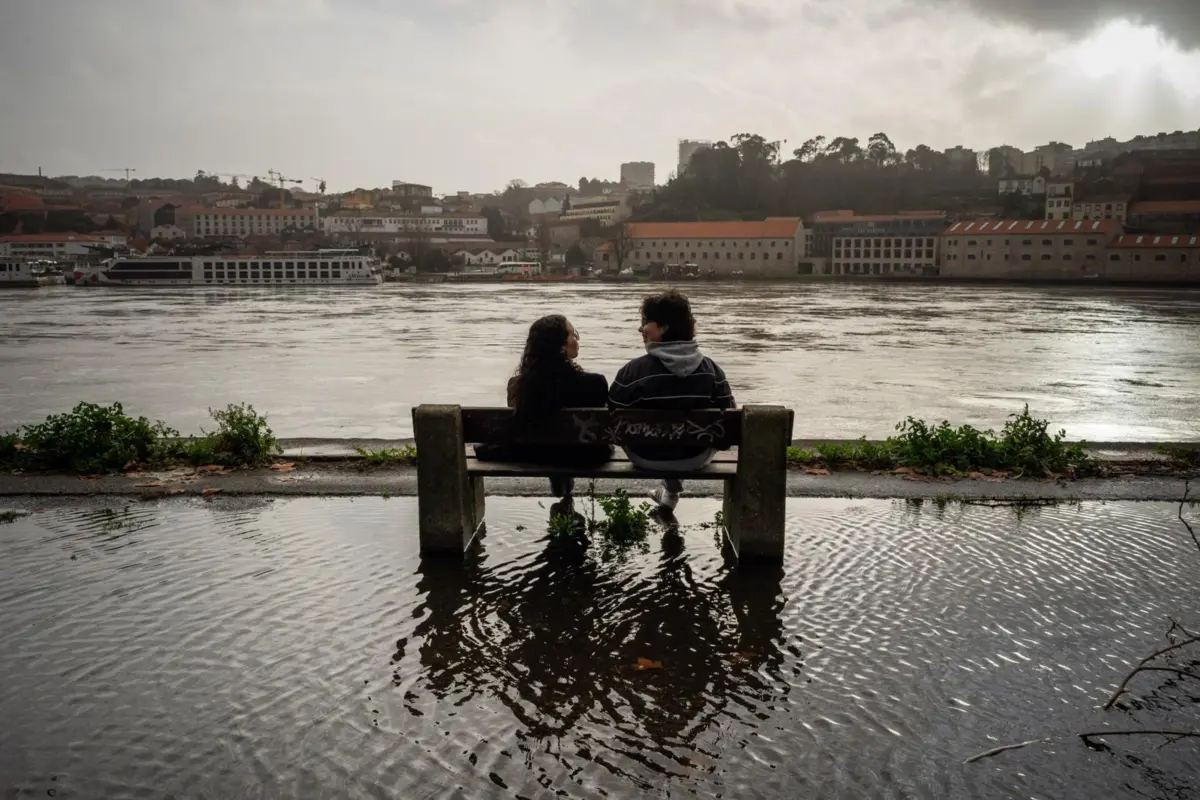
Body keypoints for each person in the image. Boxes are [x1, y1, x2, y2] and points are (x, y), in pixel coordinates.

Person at [608, 290, 735, 512]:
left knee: (654, 436)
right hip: (695, 457)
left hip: (645, 456)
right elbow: (729, 416)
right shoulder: (711, 371)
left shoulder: (632, 371)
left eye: (646, 322)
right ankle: (670, 493)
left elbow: (610, 415)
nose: (641, 329)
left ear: (664, 328)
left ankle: (669, 492)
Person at [476, 314, 611, 504]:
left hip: (536, 453)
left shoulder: (519, 386)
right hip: (583, 455)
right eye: (573, 334)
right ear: (560, 345)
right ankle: (563, 479)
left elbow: (522, 424)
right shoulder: (595, 383)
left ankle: (559, 477)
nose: (577, 339)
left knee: (546, 442)